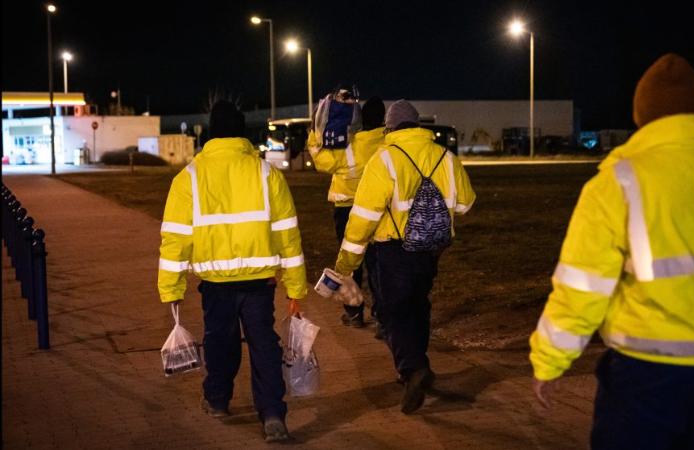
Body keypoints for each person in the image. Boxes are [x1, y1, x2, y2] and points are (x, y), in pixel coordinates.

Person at [528, 53, 694, 450]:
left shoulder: (616, 185)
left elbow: (582, 289)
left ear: (641, 118)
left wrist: (549, 362)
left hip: (644, 371)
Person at [157, 100, 307, 442]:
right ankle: (272, 414)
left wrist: (171, 289)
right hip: (259, 282)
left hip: (215, 285)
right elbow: (289, 235)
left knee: (219, 342)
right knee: (264, 345)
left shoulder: (189, 177)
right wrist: (295, 289)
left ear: (211, 132)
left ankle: (217, 400)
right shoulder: (267, 173)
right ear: (241, 134)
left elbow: (175, 239)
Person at [332, 100, 476, 414]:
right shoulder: (446, 157)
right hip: (430, 249)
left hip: (392, 249)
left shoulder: (384, 159)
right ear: (418, 125)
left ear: (390, 127)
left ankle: (413, 368)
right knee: (419, 304)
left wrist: (346, 265)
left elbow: (363, 219)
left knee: (394, 310)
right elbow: (465, 204)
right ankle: (416, 366)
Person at [309, 96, 386, 332]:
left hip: (347, 209)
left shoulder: (350, 145)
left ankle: (354, 312)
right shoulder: (388, 143)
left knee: (350, 263)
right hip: (380, 211)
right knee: (378, 264)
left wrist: (314, 135)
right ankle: (383, 318)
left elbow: (323, 163)